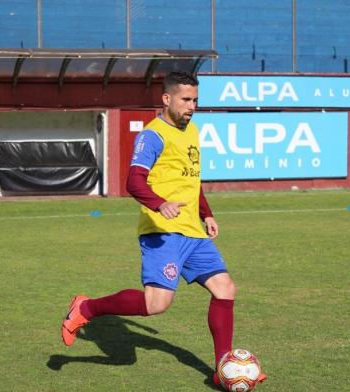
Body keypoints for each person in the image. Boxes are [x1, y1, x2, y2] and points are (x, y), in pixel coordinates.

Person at [61, 71, 238, 386]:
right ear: (167, 99)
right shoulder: (152, 135)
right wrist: (159, 204)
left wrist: (206, 213)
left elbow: (190, 180)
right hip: (162, 232)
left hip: (193, 233)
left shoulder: (193, 132)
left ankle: (224, 370)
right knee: (156, 304)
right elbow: (134, 181)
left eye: (195, 100)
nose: (192, 106)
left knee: (225, 289)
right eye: (186, 100)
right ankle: (86, 307)